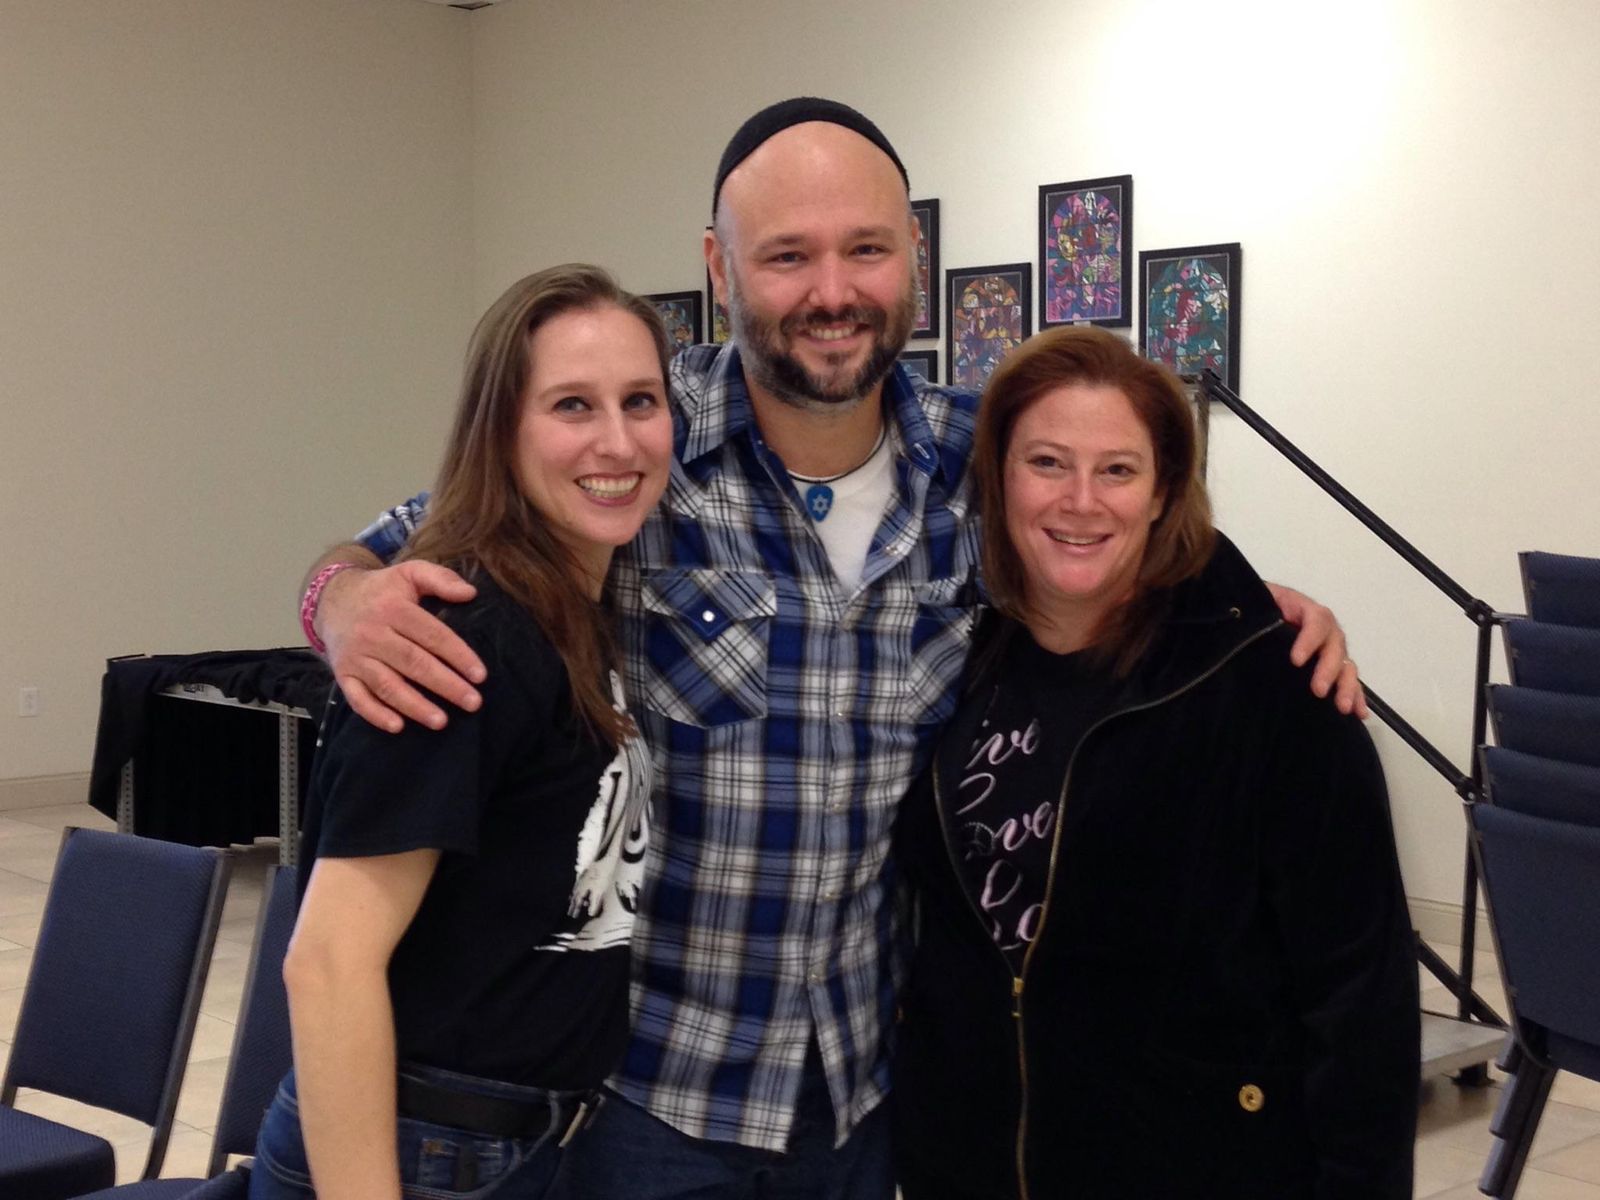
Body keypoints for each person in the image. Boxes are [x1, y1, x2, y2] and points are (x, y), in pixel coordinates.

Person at [296, 100, 1363, 1198]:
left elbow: (1124, 540)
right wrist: (341, 601)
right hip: (647, 1100)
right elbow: (409, 545)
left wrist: (1264, 615)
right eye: (787, 256)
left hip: (861, 1098)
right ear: (720, 268)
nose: (832, 291)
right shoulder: (636, 441)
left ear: (914, 257)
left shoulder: (982, 463)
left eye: (865, 249)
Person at [892, 327, 1419, 1199]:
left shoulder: (1273, 687)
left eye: (1118, 470)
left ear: (1163, 489)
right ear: (997, 476)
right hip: (970, 1164)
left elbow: (1361, 999)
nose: (1081, 501)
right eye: (1047, 463)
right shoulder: (951, 653)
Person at [249, 264, 672, 1200]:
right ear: (501, 428)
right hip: (422, 1150)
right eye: (572, 404)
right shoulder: (464, 633)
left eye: (640, 401)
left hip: (507, 1140)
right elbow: (328, 962)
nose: (617, 440)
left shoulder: (563, 607)